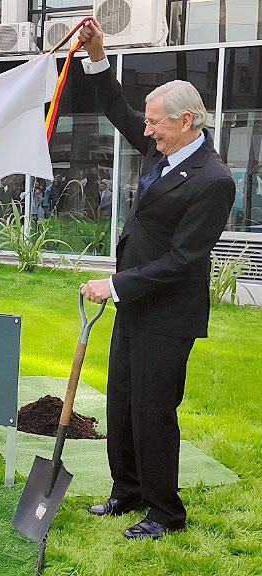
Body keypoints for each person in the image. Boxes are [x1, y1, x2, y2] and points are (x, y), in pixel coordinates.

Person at [77, 19, 235, 540]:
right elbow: (118, 109)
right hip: (137, 305)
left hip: (168, 315)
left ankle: (165, 513)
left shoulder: (214, 181)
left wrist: (115, 285)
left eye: (155, 124)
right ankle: (127, 492)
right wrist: (98, 56)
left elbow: (184, 260)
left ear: (186, 121)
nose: (144, 130)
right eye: (147, 124)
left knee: (153, 413)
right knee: (122, 402)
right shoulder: (160, 148)